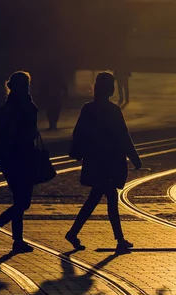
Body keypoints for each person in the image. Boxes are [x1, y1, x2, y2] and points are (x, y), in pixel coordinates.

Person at [66, 71, 142, 253]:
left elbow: (78, 133)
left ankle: (74, 232)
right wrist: (135, 159)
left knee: (95, 198)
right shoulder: (113, 110)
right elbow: (124, 137)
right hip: (109, 162)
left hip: (94, 161)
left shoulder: (88, 108)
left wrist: (78, 152)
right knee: (110, 198)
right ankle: (119, 239)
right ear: (109, 88)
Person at [0, 71, 38, 254]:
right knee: (23, 201)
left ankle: (17, 239)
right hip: (22, 158)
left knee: (20, 200)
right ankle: (0, 223)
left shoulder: (4, 110)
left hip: (8, 159)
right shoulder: (27, 108)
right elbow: (29, 132)